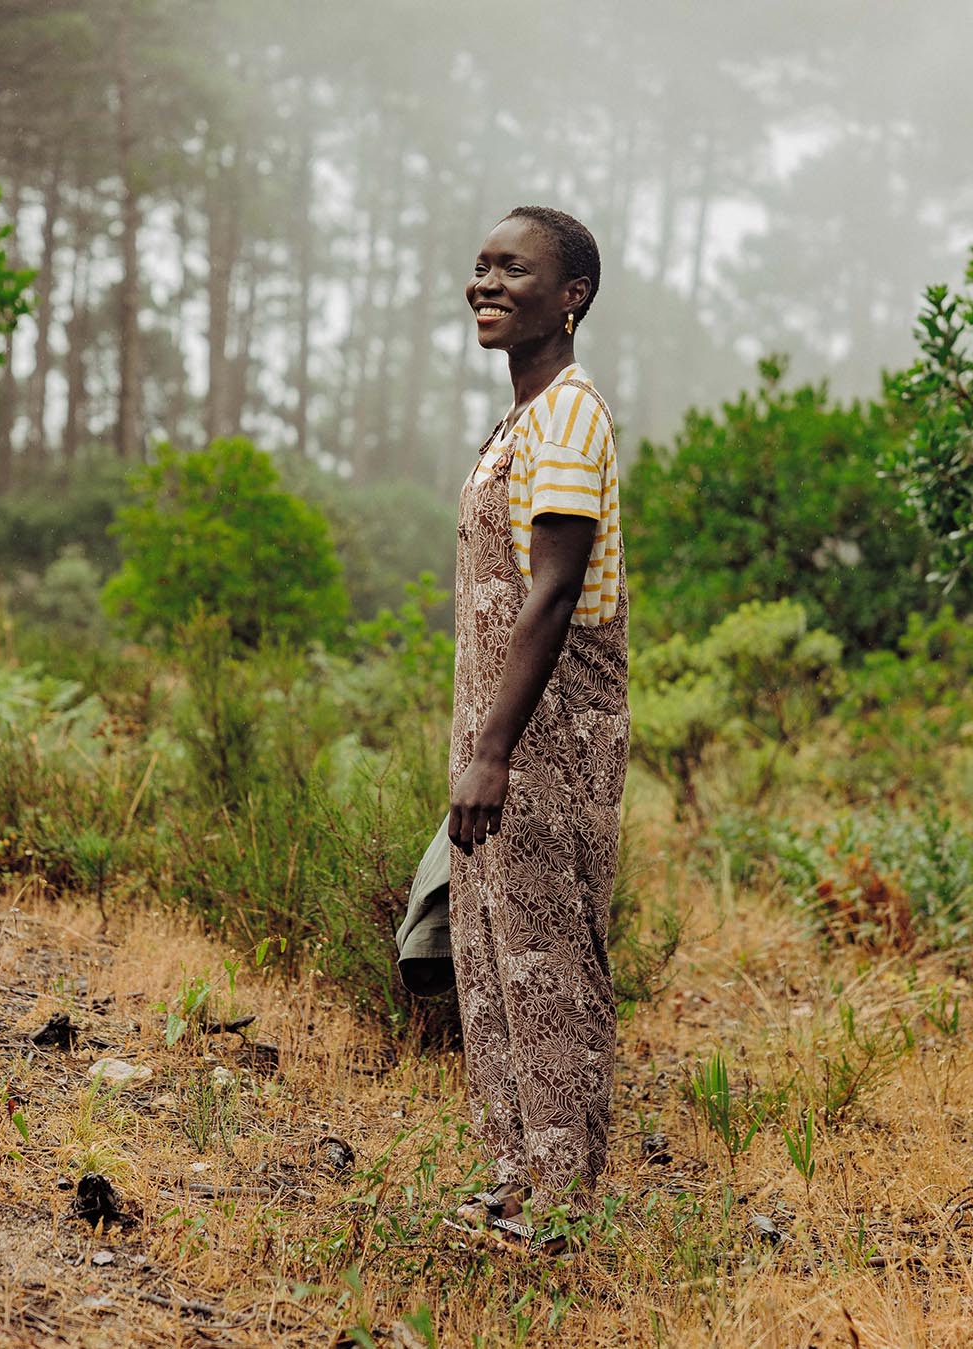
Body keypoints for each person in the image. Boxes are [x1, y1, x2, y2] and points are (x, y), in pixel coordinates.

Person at [447, 206, 629, 1254]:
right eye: (480, 267)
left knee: (550, 962)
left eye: (512, 268)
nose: (486, 282)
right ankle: (514, 1185)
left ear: (571, 298)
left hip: (550, 737)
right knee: (490, 953)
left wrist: (493, 751)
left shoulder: (569, 416)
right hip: (502, 735)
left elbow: (554, 594)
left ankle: (561, 1213)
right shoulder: (523, 421)